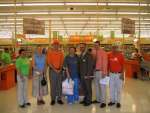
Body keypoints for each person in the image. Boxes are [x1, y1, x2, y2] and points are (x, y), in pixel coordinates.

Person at [47, 40, 64, 105]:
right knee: (53, 85)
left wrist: (60, 69)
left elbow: (62, 62)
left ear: (58, 45)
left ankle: (59, 99)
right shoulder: (49, 53)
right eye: (55, 44)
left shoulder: (61, 53)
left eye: (57, 45)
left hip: (59, 71)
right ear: (53, 45)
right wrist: (55, 69)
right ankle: (53, 99)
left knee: (59, 85)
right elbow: (49, 62)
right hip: (52, 71)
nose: (56, 46)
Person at [108, 42, 124, 108]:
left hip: (118, 74)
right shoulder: (109, 55)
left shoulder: (120, 55)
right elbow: (108, 64)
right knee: (111, 88)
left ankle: (118, 102)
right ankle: (112, 101)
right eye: (113, 47)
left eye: (115, 47)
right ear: (112, 48)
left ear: (117, 48)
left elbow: (123, 65)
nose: (114, 48)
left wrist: (122, 74)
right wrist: (107, 73)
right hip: (111, 74)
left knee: (118, 88)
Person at [92, 41, 108, 108]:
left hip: (101, 72)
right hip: (95, 72)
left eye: (97, 45)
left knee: (102, 87)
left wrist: (104, 72)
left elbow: (105, 63)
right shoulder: (93, 52)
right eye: (94, 45)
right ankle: (98, 99)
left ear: (99, 45)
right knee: (96, 86)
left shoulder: (103, 52)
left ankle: (103, 101)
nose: (95, 46)